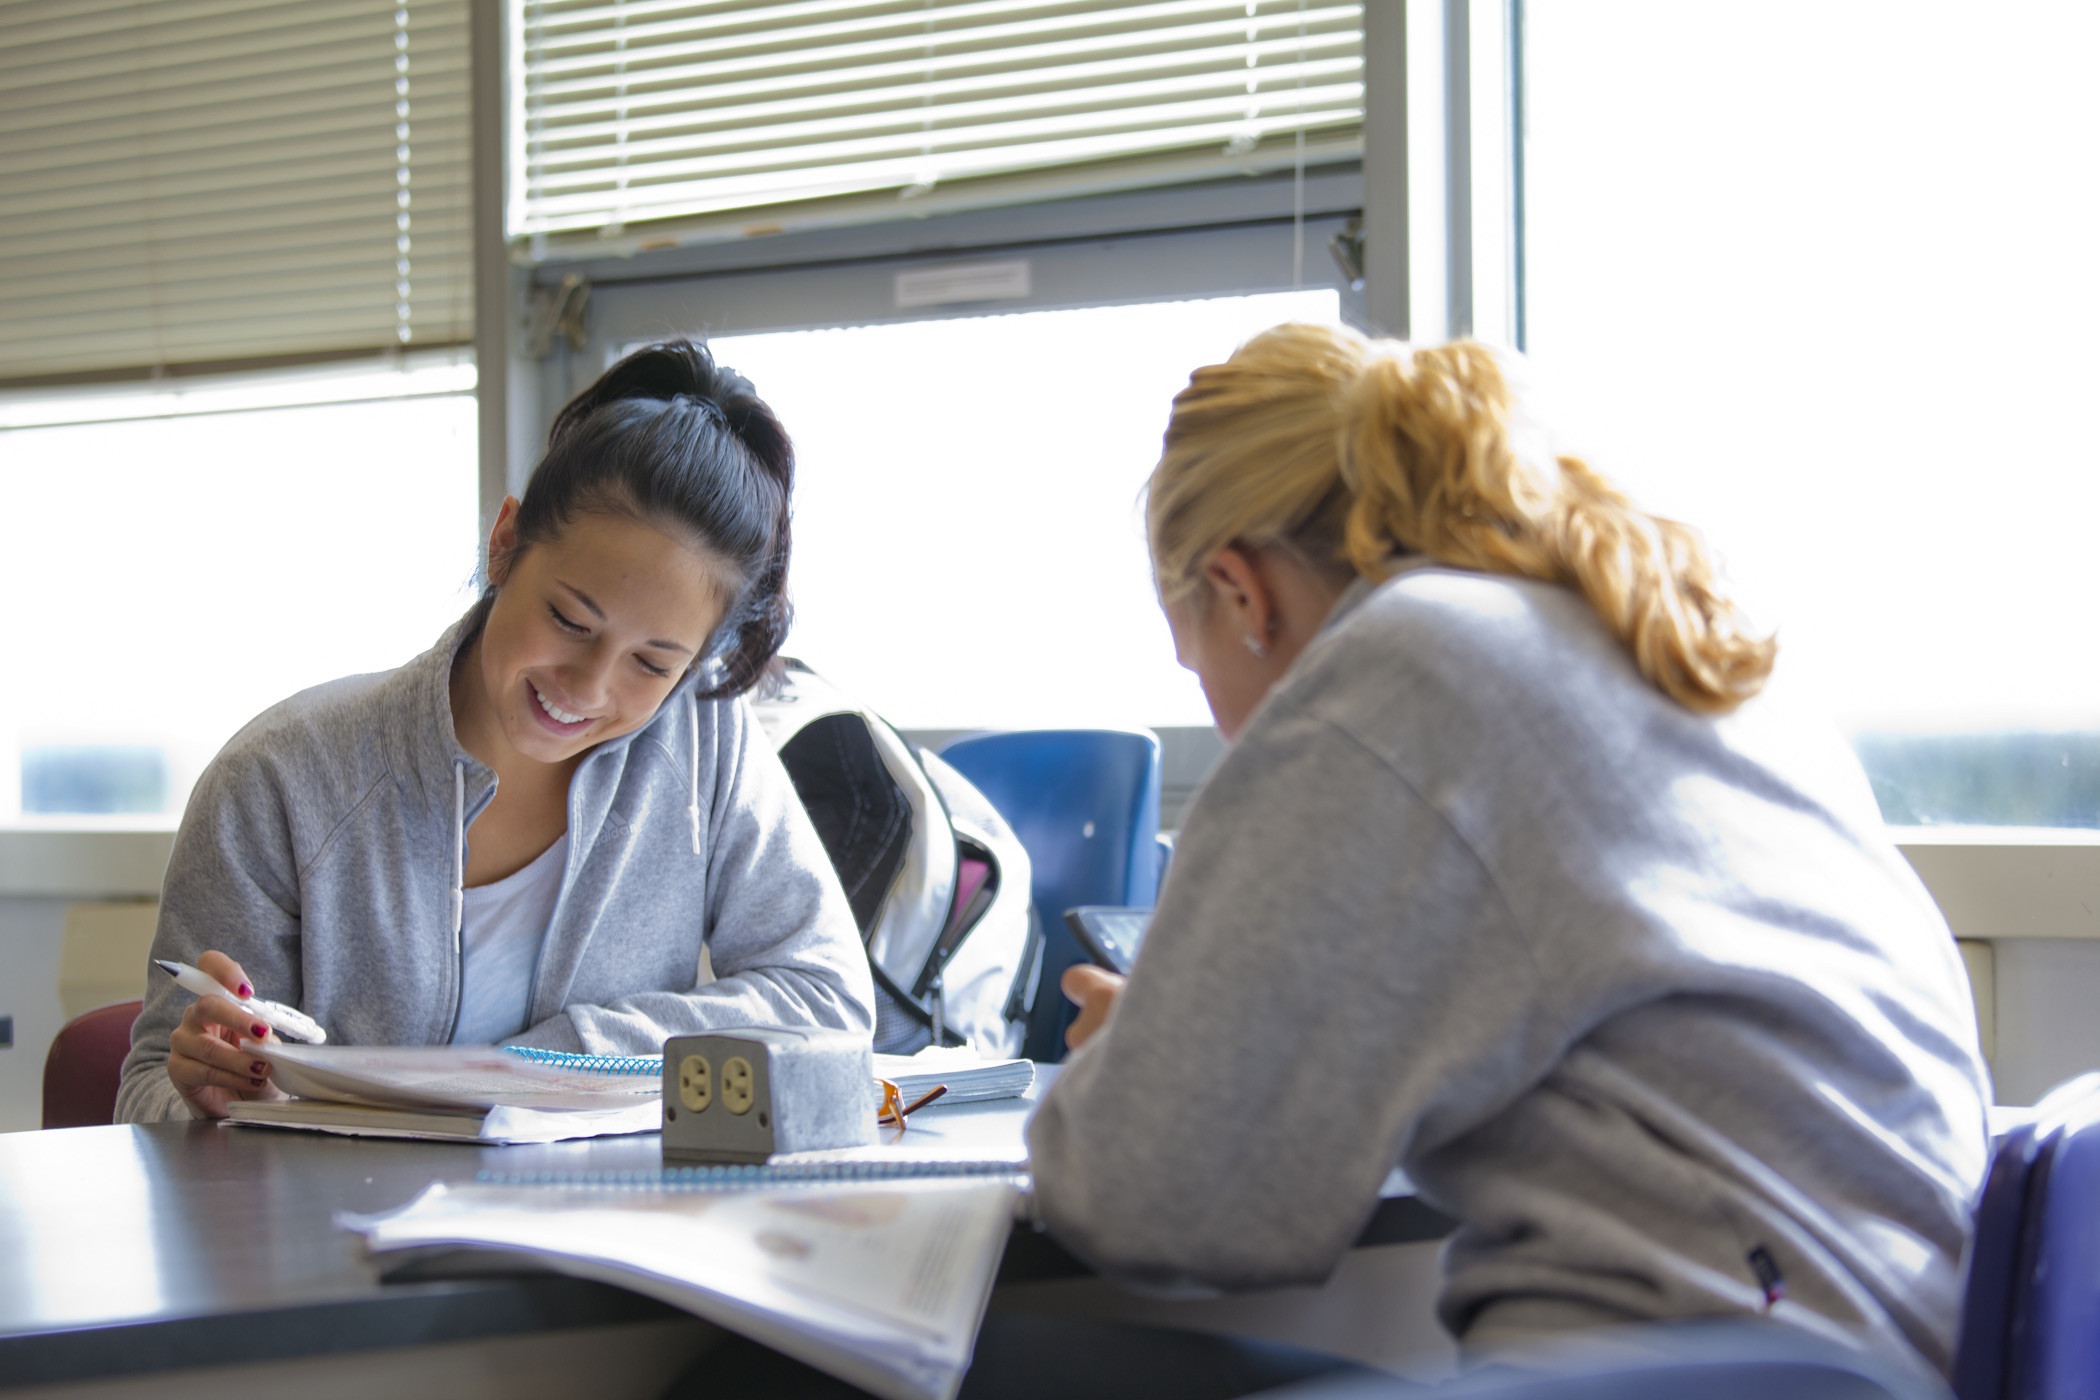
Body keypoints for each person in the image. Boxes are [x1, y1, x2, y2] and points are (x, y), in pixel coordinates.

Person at [1025, 325, 1991, 1383]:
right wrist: (1205, 1047)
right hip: (1850, 1343)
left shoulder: (1407, 660)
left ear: (1241, 591)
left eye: (1197, 662)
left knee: (881, 1371)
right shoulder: (1649, 637)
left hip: (1706, 1359)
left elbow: (1149, 1197)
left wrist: (1150, 1061)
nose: (1224, 730)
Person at [118, 341, 874, 1124]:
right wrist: (209, 1100)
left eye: (652, 665)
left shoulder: (705, 744)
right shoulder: (279, 781)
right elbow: (146, 1091)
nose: (588, 687)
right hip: (341, 1229)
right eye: (569, 620)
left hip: (602, 1227)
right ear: (505, 543)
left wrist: (552, 1061)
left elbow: (825, 1000)